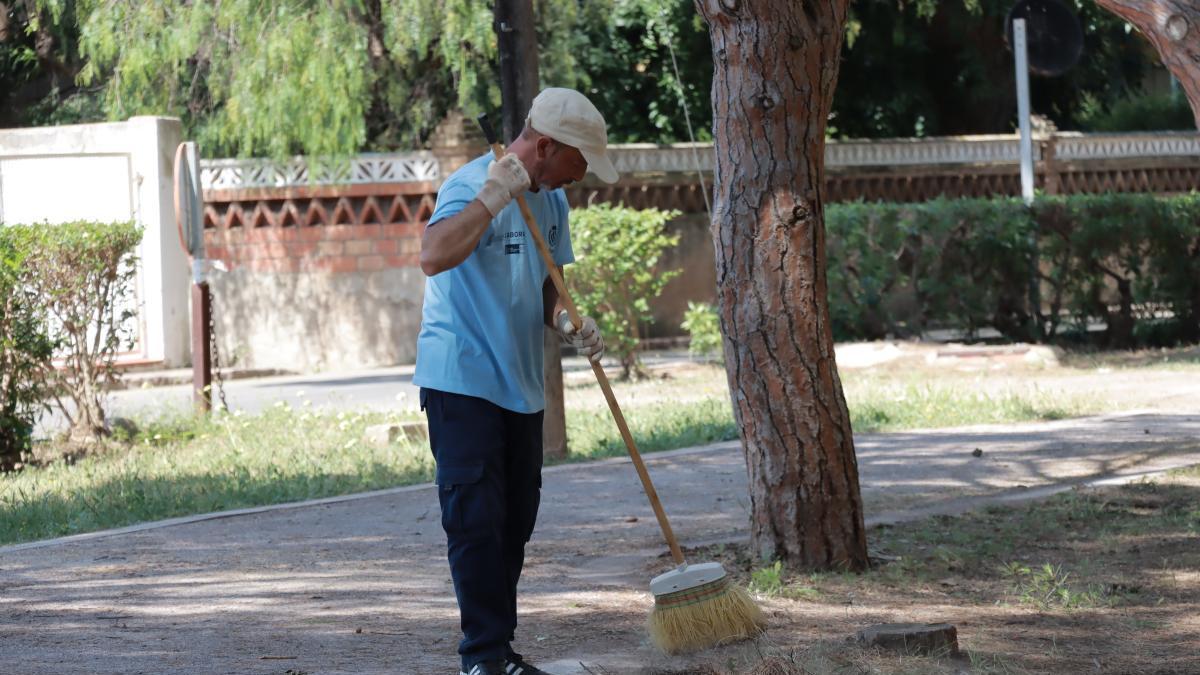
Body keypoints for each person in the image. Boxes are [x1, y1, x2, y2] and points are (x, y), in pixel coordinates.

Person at [414, 87, 618, 675]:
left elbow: (549, 281)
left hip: (520, 382)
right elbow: (433, 255)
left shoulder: (553, 202)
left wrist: (565, 319)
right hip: (463, 378)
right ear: (548, 147)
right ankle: (481, 656)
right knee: (475, 520)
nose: (582, 177)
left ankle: (497, 651)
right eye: (580, 163)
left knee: (514, 520)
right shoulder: (468, 186)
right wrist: (493, 197)